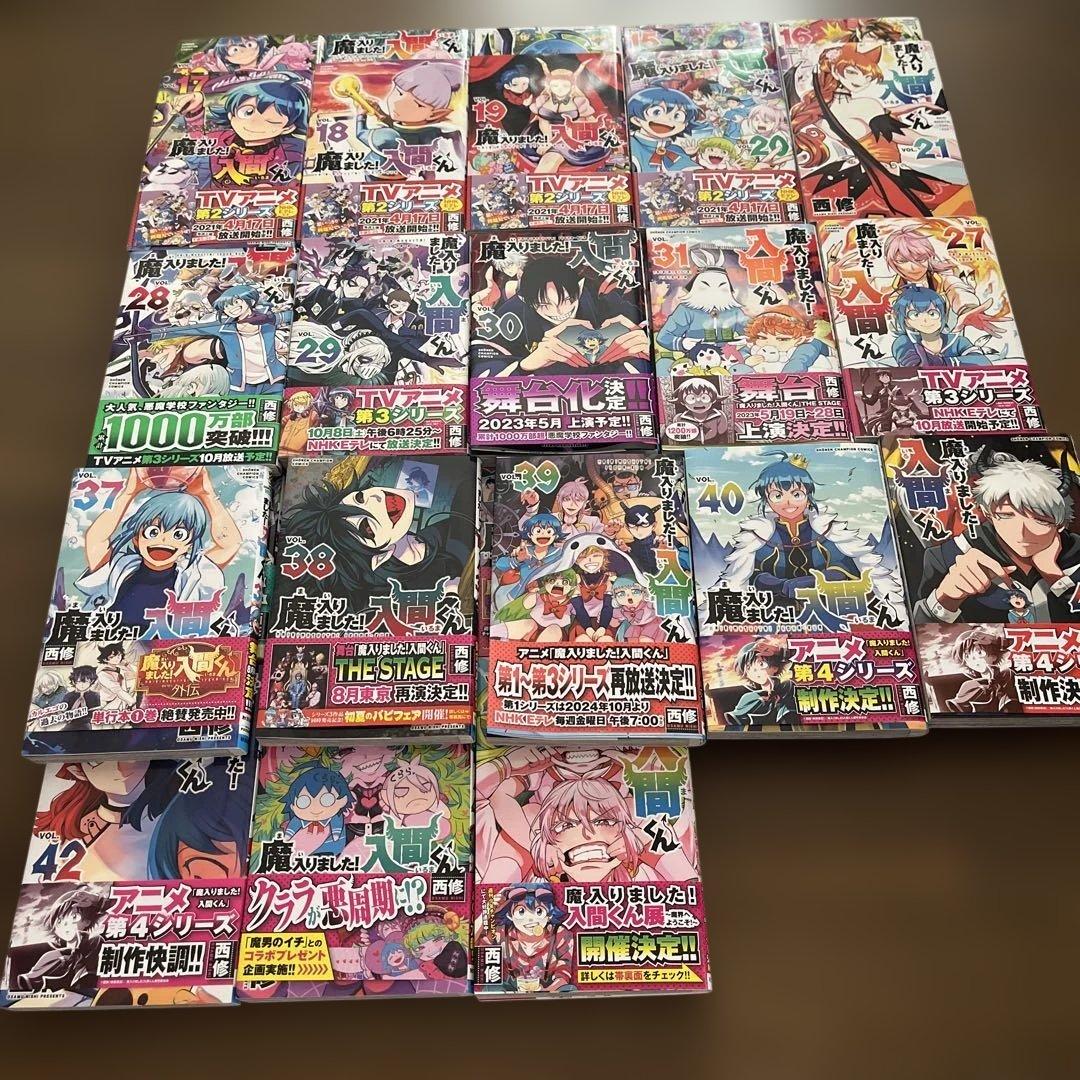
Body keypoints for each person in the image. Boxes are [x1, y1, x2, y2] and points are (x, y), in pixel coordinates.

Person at [914, 452, 1080, 624]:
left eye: (1040, 520)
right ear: (989, 514)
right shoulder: (946, 556)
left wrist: (1054, 575)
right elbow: (916, 632)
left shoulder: (1076, 556)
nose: (1021, 532)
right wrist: (945, 598)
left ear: (1061, 524)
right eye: (1006, 515)